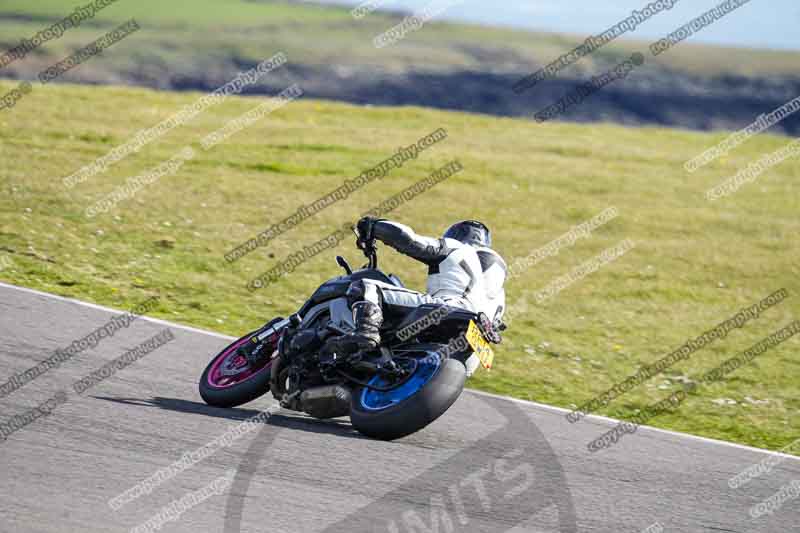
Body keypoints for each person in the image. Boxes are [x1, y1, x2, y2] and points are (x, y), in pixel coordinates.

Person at [326, 217, 507, 368]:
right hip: (472, 351)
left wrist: (374, 226)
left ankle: (366, 332)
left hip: (449, 308)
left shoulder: (459, 248)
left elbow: (410, 241)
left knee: (365, 286)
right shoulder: (500, 292)